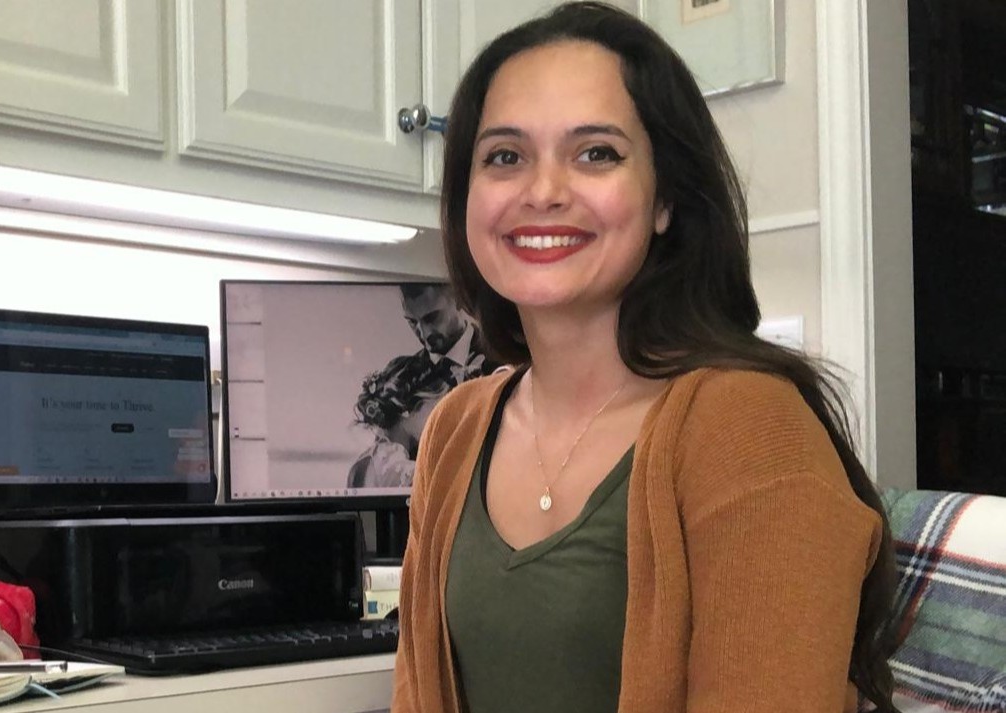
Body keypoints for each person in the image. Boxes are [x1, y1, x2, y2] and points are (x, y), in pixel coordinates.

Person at [391, 4, 900, 713]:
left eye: (596, 152)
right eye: (504, 156)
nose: (543, 191)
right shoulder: (454, 429)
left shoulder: (749, 428)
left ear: (664, 198)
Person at [347, 284, 495, 488]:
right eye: (412, 322)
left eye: (432, 318)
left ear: (460, 300)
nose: (424, 333)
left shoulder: (501, 361)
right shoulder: (399, 376)